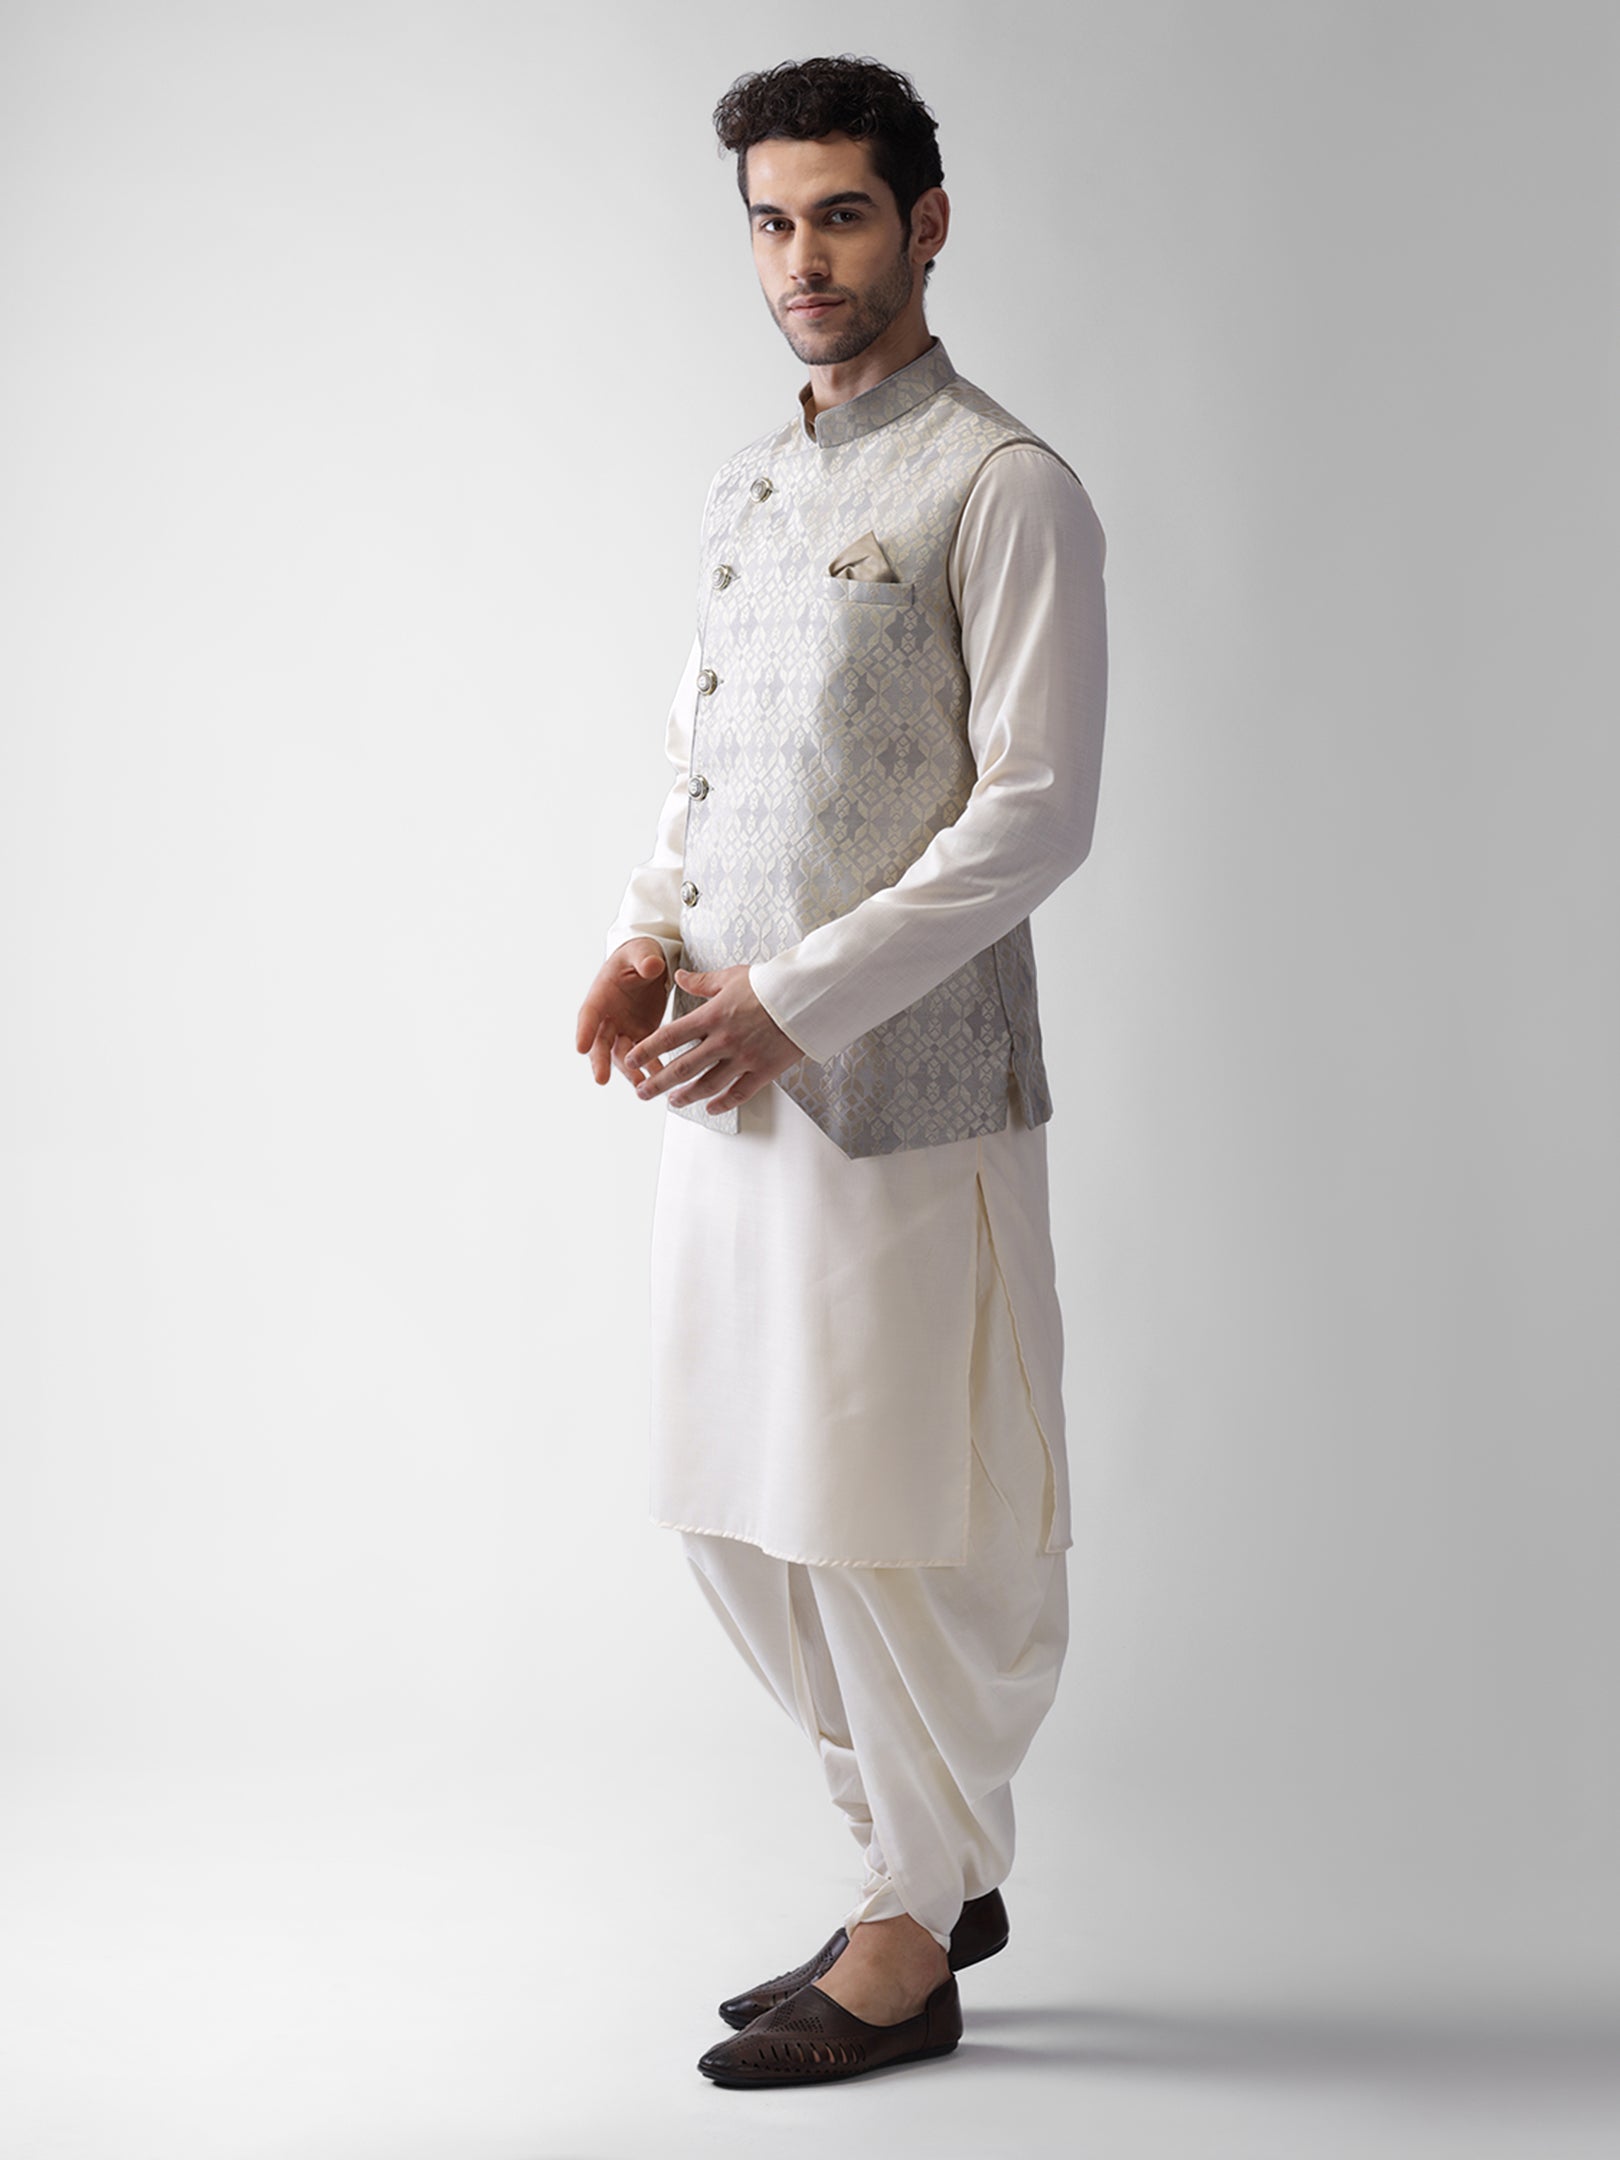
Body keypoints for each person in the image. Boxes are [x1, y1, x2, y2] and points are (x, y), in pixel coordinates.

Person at [574, 54, 1108, 2088]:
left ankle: (913, 1925)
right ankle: (915, 1857)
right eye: (774, 223)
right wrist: (648, 935)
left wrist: (803, 998)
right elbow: (702, 765)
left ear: (927, 225)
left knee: (892, 1507)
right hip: (725, 1078)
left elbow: (1035, 815)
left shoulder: (1003, 484)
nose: (803, 258)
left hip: (905, 1088)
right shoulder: (751, 484)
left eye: (843, 216)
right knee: (737, 1496)